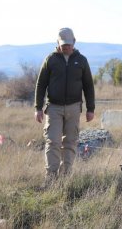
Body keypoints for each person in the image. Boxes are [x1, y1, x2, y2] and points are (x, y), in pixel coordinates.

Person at [34, 27, 95, 186]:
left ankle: (66, 177)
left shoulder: (81, 60)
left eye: (68, 44)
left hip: (74, 108)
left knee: (70, 142)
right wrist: (38, 108)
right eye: (63, 44)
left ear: (74, 42)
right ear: (57, 43)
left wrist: (91, 109)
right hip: (53, 107)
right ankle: (51, 179)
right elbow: (41, 84)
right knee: (53, 141)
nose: (66, 47)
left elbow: (88, 85)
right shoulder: (51, 60)